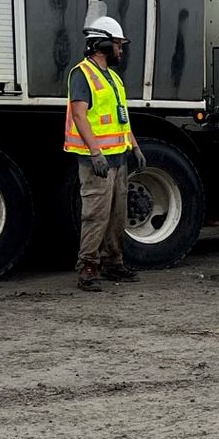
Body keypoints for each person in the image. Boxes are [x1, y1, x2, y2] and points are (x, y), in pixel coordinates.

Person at [65, 15, 140, 290]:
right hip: (97, 160)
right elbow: (79, 115)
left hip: (118, 157)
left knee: (117, 215)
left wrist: (134, 144)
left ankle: (113, 263)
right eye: (118, 45)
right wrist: (95, 152)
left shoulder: (113, 78)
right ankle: (88, 267)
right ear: (103, 45)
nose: (121, 50)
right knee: (96, 215)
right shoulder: (82, 74)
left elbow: (121, 117)